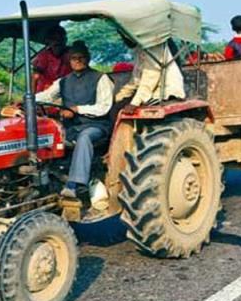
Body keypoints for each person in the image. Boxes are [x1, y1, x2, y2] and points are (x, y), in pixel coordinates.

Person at [35, 41, 113, 199]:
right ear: (69, 60)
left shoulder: (100, 78)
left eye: (81, 57)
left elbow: (104, 106)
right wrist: (25, 100)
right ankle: (43, 183)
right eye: (73, 58)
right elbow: (46, 96)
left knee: (85, 137)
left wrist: (77, 109)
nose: (77, 61)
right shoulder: (63, 81)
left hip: (96, 126)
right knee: (45, 135)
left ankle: (74, 185)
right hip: (71, 127)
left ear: (88, 58)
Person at [114, 40, 185, 114]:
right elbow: (136, 79)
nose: (125, 39)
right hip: (150, 90)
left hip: (164, 91)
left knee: (125, 111)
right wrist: (119, 97)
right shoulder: (140, 49)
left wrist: (134, 103)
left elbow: (151, 77)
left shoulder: (154, 45)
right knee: (117, 107)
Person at [33, 25, 71, 92]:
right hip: (46, 91)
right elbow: (35, 76)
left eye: (60, 39)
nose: (57, 42)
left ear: (65, 40)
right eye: (54, 39)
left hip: (67, 91)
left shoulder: (72, 54)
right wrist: (32, 96)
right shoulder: (43, 56)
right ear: (48, 41)